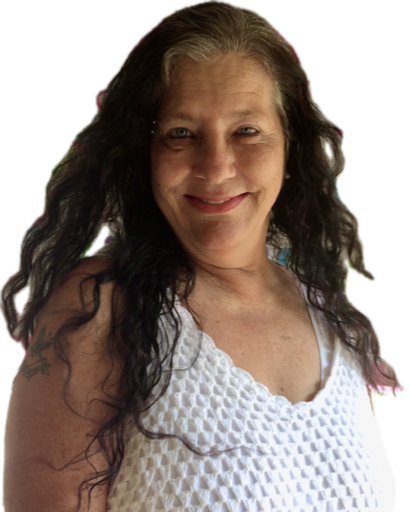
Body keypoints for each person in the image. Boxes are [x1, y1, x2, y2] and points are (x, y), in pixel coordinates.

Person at [1, 1, 405, 511]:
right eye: (181, 133)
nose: (215, 167)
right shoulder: (98, 309)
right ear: (144, 154)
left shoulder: (331, 317)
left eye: (246, 131)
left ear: (290, 147)